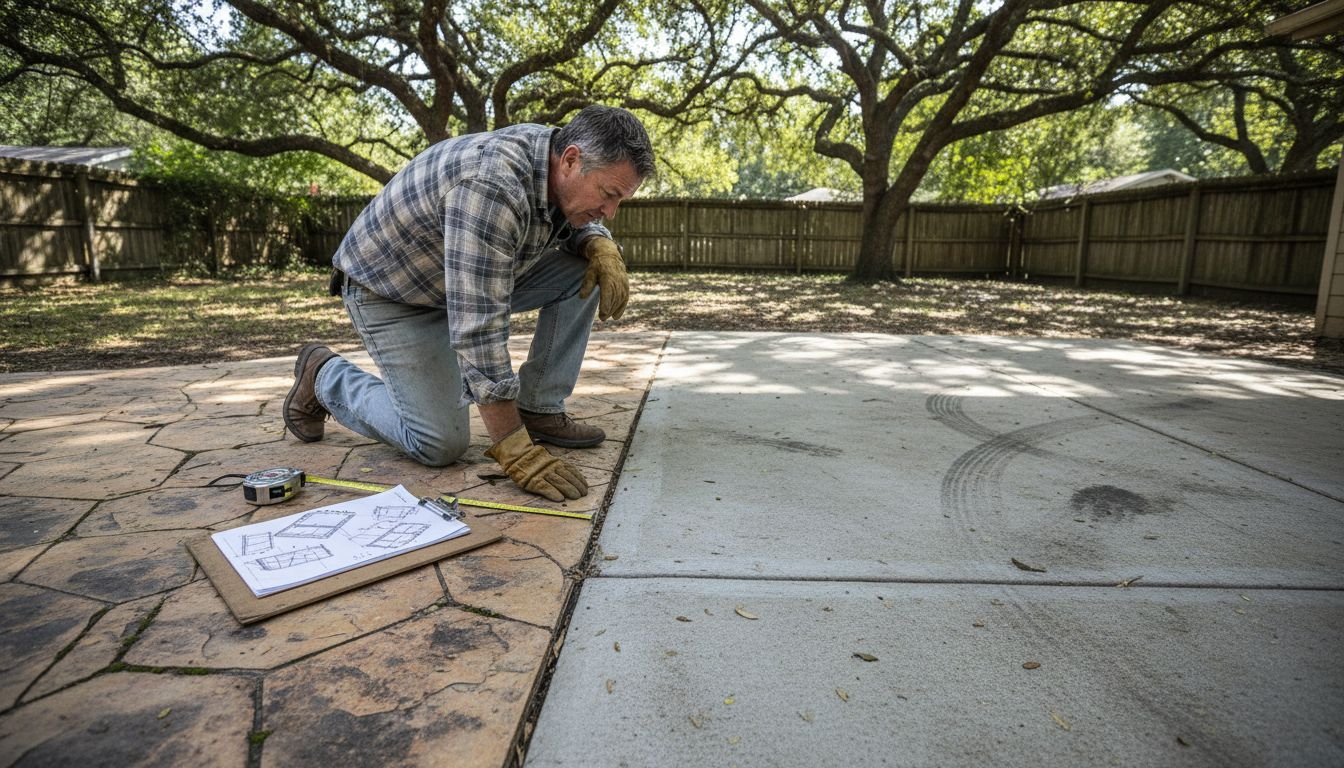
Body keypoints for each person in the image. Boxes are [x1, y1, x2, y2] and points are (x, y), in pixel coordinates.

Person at [282, 105, 654, 503]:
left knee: (593, 268)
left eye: (620, 201)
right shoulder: (492, 186)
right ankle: (324, 375)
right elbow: (479, 327)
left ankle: (539, 408)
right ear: (571, 159)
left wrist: (597, 240)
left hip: (457, 278)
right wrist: (513, 448)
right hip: (393, 293)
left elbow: (568, 220)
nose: (610, 212)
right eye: (609, 195)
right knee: (439, 444)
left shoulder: (551, 156)